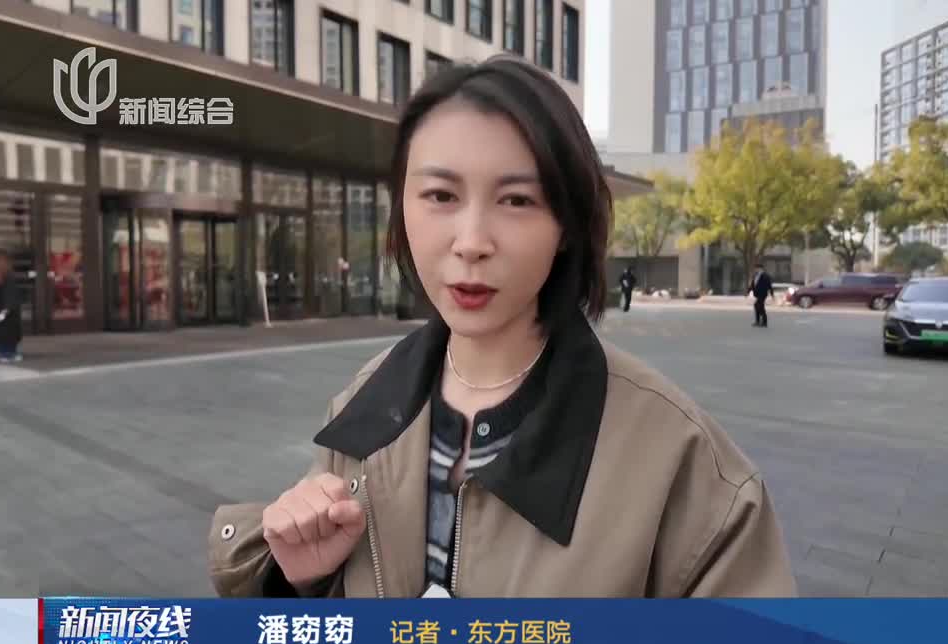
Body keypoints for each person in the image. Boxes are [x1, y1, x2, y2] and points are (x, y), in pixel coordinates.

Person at [207, 57, 796, 599]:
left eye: (516, 201)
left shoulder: (681, 462)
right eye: (440, 195)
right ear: (402, 207)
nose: (471, 243)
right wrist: (302, 578)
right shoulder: (370, 399)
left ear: (567, 224)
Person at [749, 263, 772, 328]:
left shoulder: (765, 276)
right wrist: (748, 291)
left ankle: (764, 322)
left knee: (759, 306)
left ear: (760, 269)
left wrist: (772, 294)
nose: (755, 270)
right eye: (755, 268)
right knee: (757, 306)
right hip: (757, 294)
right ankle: (758, 321)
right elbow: (752, 285)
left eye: (756, 268)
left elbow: (769, 285)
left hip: (763, 294)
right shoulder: (755, 275)